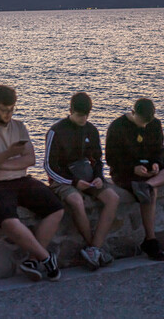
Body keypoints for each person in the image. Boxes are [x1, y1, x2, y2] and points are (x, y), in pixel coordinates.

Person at [0, 85, 64, 281]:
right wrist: (9, 155)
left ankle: (32, 259)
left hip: (20, 180)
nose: (8, 114)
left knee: (56, 208)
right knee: (10, 221)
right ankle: (46, 259)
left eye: (12, 109)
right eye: (4, 109)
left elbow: (30, 159)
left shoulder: (19, 127)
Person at [44, 92, 120, 270]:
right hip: (63, 180)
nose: (82, 118)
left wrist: (99, 177)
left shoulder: (91, 130)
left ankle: (94, 249)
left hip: (89, 176)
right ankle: (93, 247)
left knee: (113, 198)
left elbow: (97, 159)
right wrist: (73, 183)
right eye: (79, 115)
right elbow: (49, 166)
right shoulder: (56, 131)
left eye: (86, 115)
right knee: (77, 202)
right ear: (70, 111)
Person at [106, 98, 164, 261]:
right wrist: (133, 168)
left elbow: (160, 150)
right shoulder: (117, 126)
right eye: (141, 122)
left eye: (147, 123)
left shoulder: (155, 125)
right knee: (151, 193)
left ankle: (148, 185)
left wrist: (157, 164)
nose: (143, 126)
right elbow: (111, 158)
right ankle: (150, 240)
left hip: (149, 172)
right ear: (133, 113)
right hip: (125, 172)